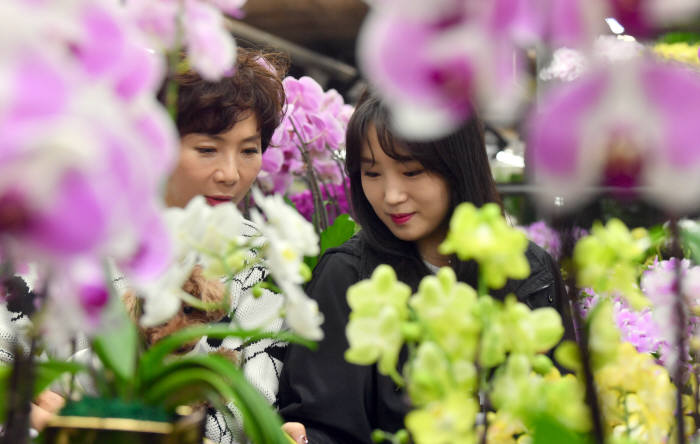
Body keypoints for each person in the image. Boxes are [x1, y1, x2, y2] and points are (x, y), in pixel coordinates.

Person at [6, 47, 308, 444]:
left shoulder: (259, 257)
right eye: (207, 149)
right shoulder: (70, 235)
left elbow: (251, 403)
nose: (231, 173)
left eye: (249, 150)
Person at [277, 94, 574, 443]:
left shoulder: (528, 270)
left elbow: (561, 406)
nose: (391, 195)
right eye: (372, 173)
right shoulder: (347, 277)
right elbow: (325, 424)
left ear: (459, 166)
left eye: (412, 171)